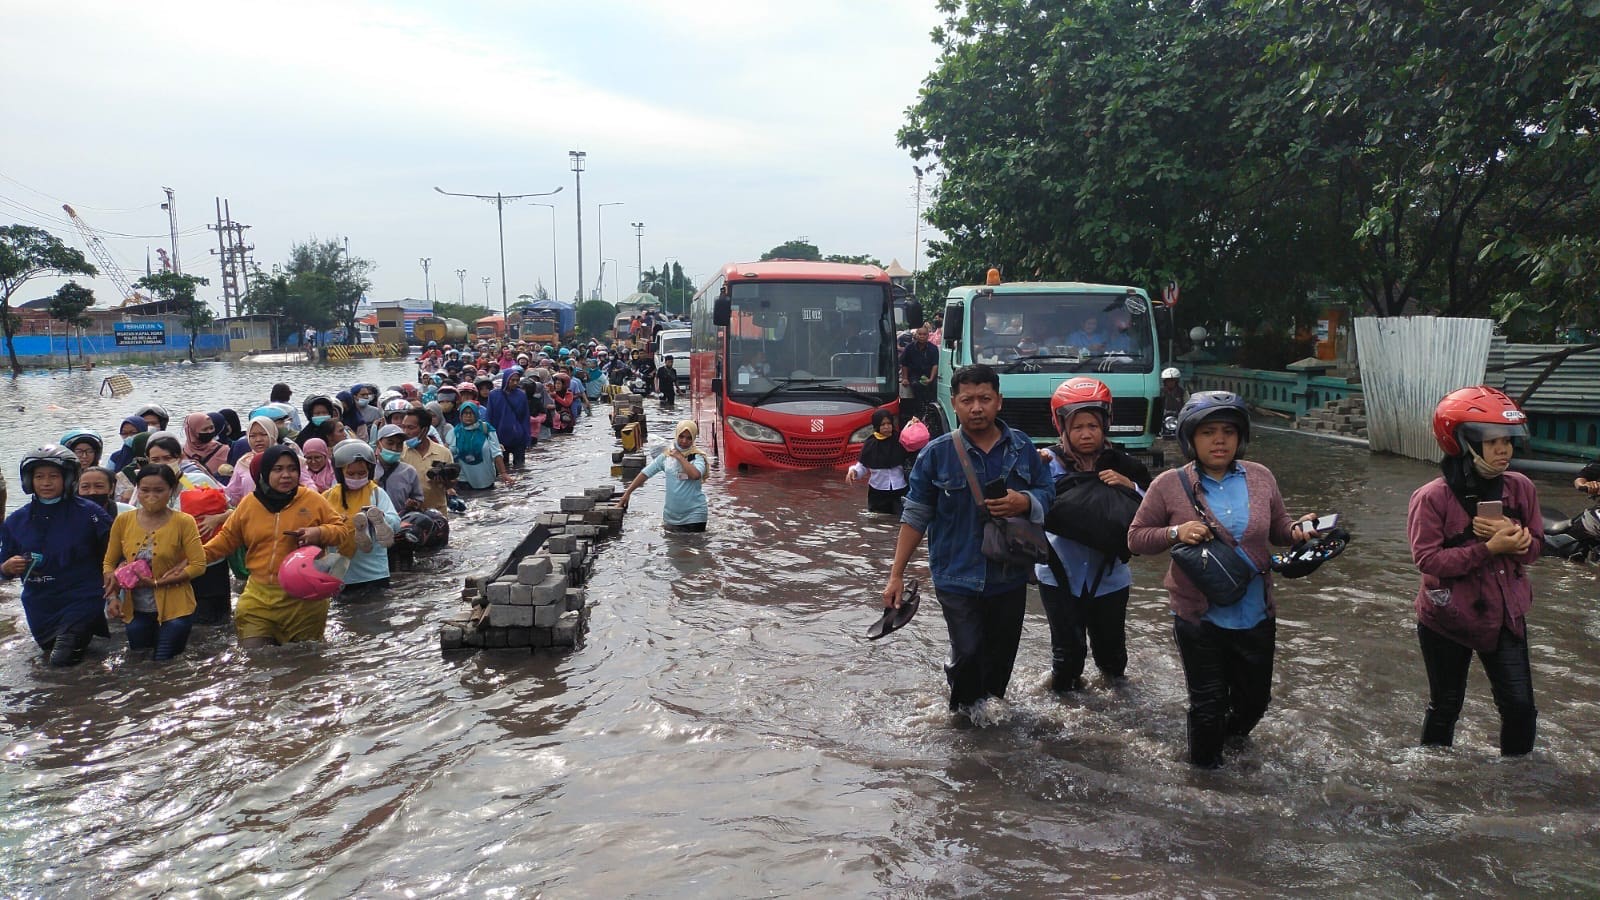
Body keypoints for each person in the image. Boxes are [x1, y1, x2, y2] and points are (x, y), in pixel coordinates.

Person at [1126, 391, 1316, 768]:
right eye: (1209, 431)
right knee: (1208, 704)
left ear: (1240, 437)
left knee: (1254, 703)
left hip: (1256, 612)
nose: (1219, 440)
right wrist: (1175, 532)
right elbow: (1135, 538)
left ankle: (1230, 749)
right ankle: (1204, 782)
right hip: (1199, 617)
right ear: (1190, 438)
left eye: (1228, 431)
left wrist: (1298, 529)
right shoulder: (1169, 484)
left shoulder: (1261, 477)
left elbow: (1278, 526)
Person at [880, 365, 1055, 713]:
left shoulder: (1022, 448)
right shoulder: (936, 453)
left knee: (1001, 661)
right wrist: (896, 574)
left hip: (1010, 574)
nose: (977, 407)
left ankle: (990, 728)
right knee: (969, 653)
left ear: (999, 401)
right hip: (955, 575)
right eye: (968, 400)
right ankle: (961, 721)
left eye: (985, 399)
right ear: (954, 404)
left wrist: (1025, 502)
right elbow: (916, 514)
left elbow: (1048, 492)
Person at [1407, 386, 1541, 756]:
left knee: (1521, 709)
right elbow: (1428, 561)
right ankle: (1434, 780)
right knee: (1446, 706)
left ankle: (1517, 786)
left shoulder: (1521, 489)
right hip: (1446, 618)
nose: (1503, 451)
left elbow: (1535, 550)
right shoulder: (1431, 497)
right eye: (1492, 441)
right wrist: (1488, 550)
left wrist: (1518, 543)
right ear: (1463, 442)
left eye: (1507, 441)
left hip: (1506, 616)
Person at [1036, 378, 1151, 693]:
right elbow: (1020, 503)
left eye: (1093, 426)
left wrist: (1130, 487)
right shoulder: (1045, 464)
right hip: (1058, 576)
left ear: (1106, 426)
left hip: (1111, 577)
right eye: (1077, 427)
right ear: (1062, 427)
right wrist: (1030, 465)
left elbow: (1154, 514)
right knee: (1066, 659)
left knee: (1113, 659)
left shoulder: (1126, 466)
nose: (1086, 434)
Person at [201, 445, 352, 647]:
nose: (286, 475)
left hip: (304, 599)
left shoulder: (312, 499)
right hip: (258, 596)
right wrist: (191, 561)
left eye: (292, 469)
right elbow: (225, 540)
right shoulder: (249, 504)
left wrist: (318, 533)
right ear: (264, 472)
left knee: (304, 661)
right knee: (255, 658)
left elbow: (341, 532)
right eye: (278, 469)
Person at [1, 446, 115, 666]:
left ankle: (75, 699)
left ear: (69, 478)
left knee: (61, 661)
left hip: (83, 598)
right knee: (57, 655)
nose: (46, 483)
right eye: (39, 477)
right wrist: (6, 567)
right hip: (40, 604)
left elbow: (114, 552)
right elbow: (3, 565)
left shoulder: (90, 514)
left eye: (54, 476)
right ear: (28, 480)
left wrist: (114, 589)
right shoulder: (16, 521)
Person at [102, 464, 206, 661]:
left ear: (172, 491)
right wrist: (113, 597)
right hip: (135, 608)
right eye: (145, 490)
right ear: (137, 490)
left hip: (176, 608)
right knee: (139, 660)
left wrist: (158, 583)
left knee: (163, 661)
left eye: (159, 490)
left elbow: (198, 565)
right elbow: (109, 561)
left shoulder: (184, 522)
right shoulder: (123, 521)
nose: (151, 496)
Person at [144, 433, 234, 624]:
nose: (162, 464)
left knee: (214, 623)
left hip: (209, 564)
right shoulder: (146, 488)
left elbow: (234, 512)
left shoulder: (197, 481)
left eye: (168, 458)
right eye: (155, 460)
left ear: (180, 458)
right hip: (171, 568)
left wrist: (216, 518)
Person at [324, 440, 399, 591]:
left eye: (362, 473)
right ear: (340, 473)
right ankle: (359, 525)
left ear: (370, 472)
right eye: (351, 474)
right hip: (341, 573)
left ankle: (369, 522)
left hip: (375, 572)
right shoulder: (327, 497)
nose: (357, 478)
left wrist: (383, 518)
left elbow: (396, 523)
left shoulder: (376, 493)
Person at [618, 420, 709, 532]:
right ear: (676, 435)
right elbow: (645, 473)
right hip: (671, 518)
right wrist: (628, 493)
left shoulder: (697, 457)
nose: (684, 441)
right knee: (672, 547)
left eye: (689, 438)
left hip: (694, 517)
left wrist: (680, 457)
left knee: (692, 547)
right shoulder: (666, 456)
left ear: (694, 438)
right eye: (681, 436)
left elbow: (695, 475)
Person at [845, 409, 908, 514]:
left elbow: (915, 444)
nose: (887, 427)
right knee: (877, 520)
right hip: (878, 493)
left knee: (900, 520)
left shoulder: (901, 440)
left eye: (889, 423)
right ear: (876, 425)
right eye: (883, 424)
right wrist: (854, 471)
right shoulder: (870, 444)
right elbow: (862, 466)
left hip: (900, 490)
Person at [446, 401, 514, 489]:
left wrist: (503, 473)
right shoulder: (454, 432)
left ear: (477, 414)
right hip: (463, 478)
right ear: (460, 416)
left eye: (471, 413)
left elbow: (496, 453)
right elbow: (448, 454)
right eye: (465, 413)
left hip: (485, 477)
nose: (468, 416)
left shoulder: (487, 429)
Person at [400, 408, 456, 515]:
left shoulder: (443, 452)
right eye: (404, 427)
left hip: (438, 514)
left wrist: (444, 481)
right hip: (408, 514)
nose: (406, 432)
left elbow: (452, 484)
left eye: (411, 428)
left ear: (425, 429)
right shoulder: (399, 452)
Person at [485, 367, 532, 469]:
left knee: (520, 467)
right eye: (512, 380)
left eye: (517, 380)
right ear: (506, 379)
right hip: (500, 439)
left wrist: (527, 438)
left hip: (518, 437)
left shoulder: (521, 395)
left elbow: (525, 418)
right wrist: (489, 438)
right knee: (502, 467)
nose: (515, 383)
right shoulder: (494, 395)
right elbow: (489, 417)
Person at [374, 424, 426, 513]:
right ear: (378, 444)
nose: (394, 448)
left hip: (401, 521)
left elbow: (418, 500)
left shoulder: (409, 472)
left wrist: (413, 504)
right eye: (390, 443)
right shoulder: (369, 470)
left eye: (399, 444)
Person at [899, 326, 939, 422]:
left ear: (928, 336)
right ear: (916, 335)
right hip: (914, 375)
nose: (922, 336)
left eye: (924, 334)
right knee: (916, 385)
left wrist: (931, 379)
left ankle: (930, 411)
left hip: (928, 375)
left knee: (934, 388)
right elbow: (904, 364)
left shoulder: (933, 349)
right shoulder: (909, 348)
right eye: (920, 334)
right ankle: (919, 410)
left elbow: (935, 365)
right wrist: (905, 378)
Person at [181, 412, 229, 479]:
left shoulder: (223, 450)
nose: (209, 432)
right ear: (192, 431)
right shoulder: (181, 452)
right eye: (205, 429)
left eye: (211, 428)